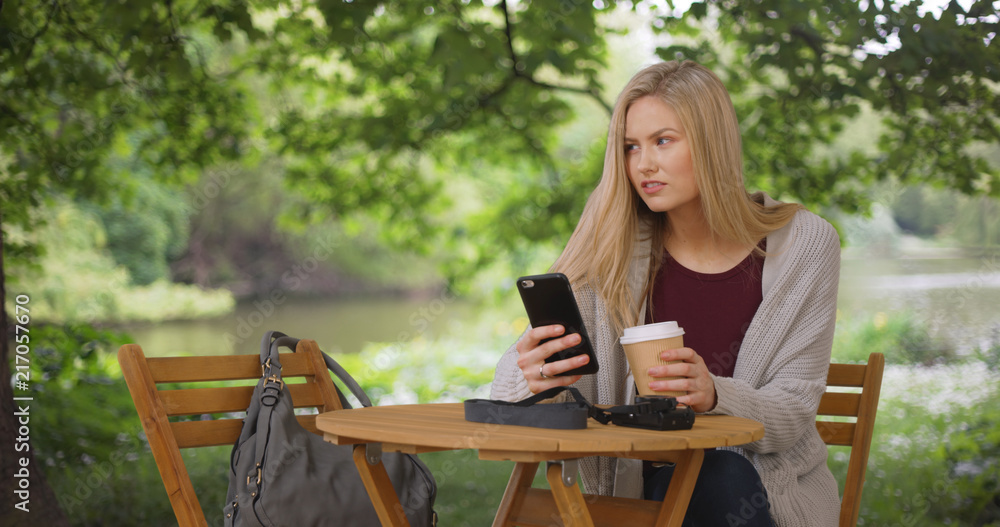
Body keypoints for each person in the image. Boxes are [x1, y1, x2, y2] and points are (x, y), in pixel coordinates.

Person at [490, 60, 842, 527]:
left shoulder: (804, 245)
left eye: (663, 141)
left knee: (718, 474)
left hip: (764, 497)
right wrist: (531, 376)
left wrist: (715, 394)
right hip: (639, 496)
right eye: (631, 147)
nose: (643, 165)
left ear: (712, 143)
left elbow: (793, 409)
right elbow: (510, 394)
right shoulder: (612, 246)